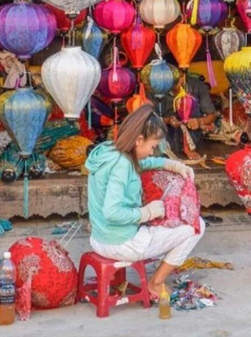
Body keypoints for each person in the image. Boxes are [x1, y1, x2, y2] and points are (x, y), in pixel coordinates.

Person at [85, 104, 206, 298]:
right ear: (139, 140)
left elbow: (142, 163)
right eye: (153, 146)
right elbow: (112, 212)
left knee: (168, 223)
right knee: (197, 226)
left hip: (99, 238)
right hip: (122, 244)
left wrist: (172, 164)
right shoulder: (122, 165)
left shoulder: (109, 151)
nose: (152, 152)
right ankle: (155, 283)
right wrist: (147, 212)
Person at [161, 73, 218, 160]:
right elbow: (149, 118)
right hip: (167, 139)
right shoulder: (158, 87)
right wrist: (168, 120)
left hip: (193, 139)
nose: (180, 80)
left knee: (189, 104)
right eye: (174, 77)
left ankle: (189, 148)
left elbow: (212, 116)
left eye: (181, 76)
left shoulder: (197, 85)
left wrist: (199, 122)